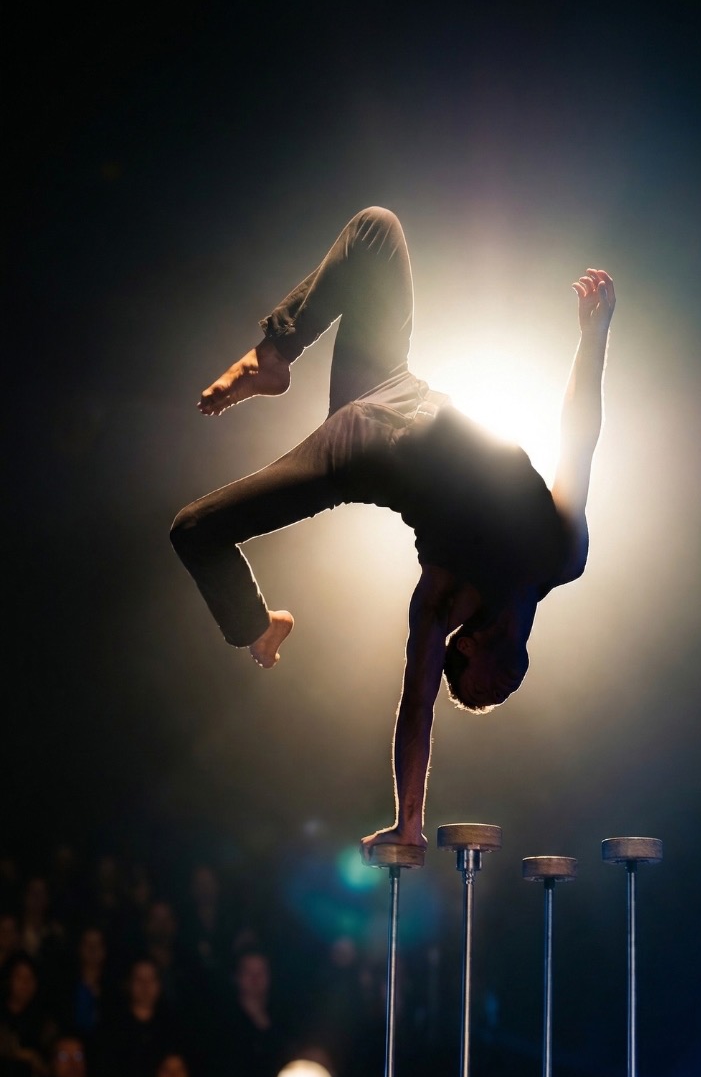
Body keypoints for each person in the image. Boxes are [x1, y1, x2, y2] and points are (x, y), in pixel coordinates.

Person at [170, 207, 615, 856]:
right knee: (376, 230)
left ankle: (256, 627)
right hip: (385, 383)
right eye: (491, 697)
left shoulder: (442, 601)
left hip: (347, 457)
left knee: (193, 529)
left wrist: (411, 821)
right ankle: (273, 357)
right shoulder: (560, 556)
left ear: (460, 653)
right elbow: (580, 438)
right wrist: (594, 338)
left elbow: (417, 712)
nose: (494, 695)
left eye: (477, 695)